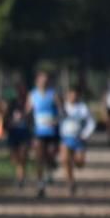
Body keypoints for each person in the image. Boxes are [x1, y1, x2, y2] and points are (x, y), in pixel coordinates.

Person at [26, 69, 63, 198]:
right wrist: (27, 117)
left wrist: (55, 120)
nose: (43, 82)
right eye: (41, 80)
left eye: (46, 80)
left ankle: (51, 166)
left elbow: (61, 112)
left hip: (52, 131)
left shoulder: (53, 95)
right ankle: (40, 183)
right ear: (37, 81)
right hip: (38, 131)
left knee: (50, 154)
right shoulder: (32, 95)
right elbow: (28, 111)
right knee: (39, 157)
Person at [58, 86, 96, 196]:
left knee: (80, 163)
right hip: (65, 137)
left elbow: (91, 122)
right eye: (71, 94)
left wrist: (85, 134)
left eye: (75, 94)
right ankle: (70, 183)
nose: (73, 97)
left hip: (78, 138)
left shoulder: (82, 108)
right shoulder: (63, 107)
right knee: (65, 160)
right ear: (67, 95)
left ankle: (75, 163)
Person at [3, 80, 31, 188]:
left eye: (22, 89)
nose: (21, 92)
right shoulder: (12, 103)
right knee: (15, 158)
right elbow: (5, 117)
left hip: (24, 133)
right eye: (19, 89)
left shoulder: (29, 103)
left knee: (23, 155)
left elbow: (32, 117)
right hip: (13, 133)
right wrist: (7, 124)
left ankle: (21, 178)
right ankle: (20, 172)